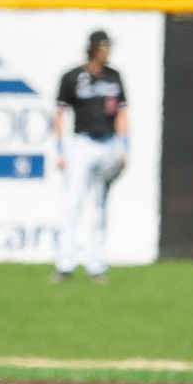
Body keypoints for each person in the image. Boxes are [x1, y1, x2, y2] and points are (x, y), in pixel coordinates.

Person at [52, 29, 129, 284]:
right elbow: (59, 115)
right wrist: (60, 150)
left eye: (108, 46)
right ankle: (65, 264)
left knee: (99, 206)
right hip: (82, 143)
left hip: (107, 143)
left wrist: (124, 146)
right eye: (103, 46)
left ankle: (96, 265)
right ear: (93, 48)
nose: (107, 51)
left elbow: (121, 113)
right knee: (73, 202)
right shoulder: (73, 77)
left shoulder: (114, 77)